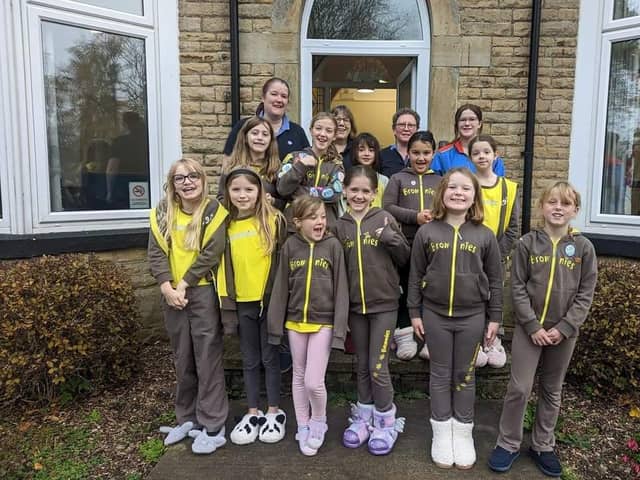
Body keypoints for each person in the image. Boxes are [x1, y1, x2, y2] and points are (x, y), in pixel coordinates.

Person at [488, 181, 597, 478]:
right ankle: (508, 443)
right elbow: (517, 287)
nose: (558, 208)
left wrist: (563, 327)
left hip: (564, 333)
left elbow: (586, 292)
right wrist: (532, 325)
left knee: (552, 389)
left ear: (575, 210)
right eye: (552, 202)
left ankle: (543, 445)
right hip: (529, 330)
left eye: (565, 203)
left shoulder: (584, 248)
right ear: (542, 206)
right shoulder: (527, 243)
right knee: (519, 388)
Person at [408, 167, 503, 470]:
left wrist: (494, 317)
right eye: (452, 187)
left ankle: (463, 433)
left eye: (466, 189)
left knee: (464, 374)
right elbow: (415, 275)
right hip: (434, 314)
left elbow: (496, 280)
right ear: (442, 192)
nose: (458, 193)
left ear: (474, 196)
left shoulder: (485, 236)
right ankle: (441, 432)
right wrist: (414, 311)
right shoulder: (427, 232)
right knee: (439, 374)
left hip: (472, 316)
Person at [148, 158, 229, 454]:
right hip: (172, 294)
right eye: (180, 178)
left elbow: (212, 251)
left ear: (202, 179)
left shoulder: (213, 211)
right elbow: (156, 253)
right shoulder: (161, 212)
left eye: (193, 175)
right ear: (172, 184)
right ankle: (187, 418)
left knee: (207, 356)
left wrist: (184, 283)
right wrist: (166, 286)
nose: (187, 182)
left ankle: (213, 423)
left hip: (202, 291)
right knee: (183, 357)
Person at [335, 166, 410, 455]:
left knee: (379, 366)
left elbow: (404, 258)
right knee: (363, 364)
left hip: (384, 304)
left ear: (374, 194)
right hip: (355, 306)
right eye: (354, 190)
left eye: (365, 191)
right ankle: (363, 417)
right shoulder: (339, 226)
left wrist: (390, 238)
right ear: (344, 191)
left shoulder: (385, 217)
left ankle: (386, 420)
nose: (359, 195)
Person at [267, 195, 349, 456]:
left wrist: (339, 330)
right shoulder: (290, 246)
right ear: (298, 221)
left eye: (323, 216)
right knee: (299, 377)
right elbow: (280, 287)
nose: (320, 222)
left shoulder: (333, 246)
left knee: (314, 381)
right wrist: (275, 326)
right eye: (313, 217)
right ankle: (302, 425)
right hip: (294, 322)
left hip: (323, 322)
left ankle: (319, 421)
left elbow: (342, 290)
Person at [216, 168, 288, 445]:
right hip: (242, 303)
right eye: (236, 189)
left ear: (260, 192)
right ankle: (252, 411)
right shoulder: (225, 225)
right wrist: (228, 305)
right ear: (227, 193)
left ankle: (273, 411)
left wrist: (278, 300)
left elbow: (282, 264)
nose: (243, 194)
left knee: (271, 358)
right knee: (249, 359)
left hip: (268, 303)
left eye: (249, 189)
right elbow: (224, 268)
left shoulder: (273, 220)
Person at [383, 131, 442, 361]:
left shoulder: (439, 181)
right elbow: (388, 206)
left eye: (426, 153)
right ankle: (404, 333)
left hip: (433, 246)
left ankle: (429, 338)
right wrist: (414, 216)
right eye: (416, 152)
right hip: (404, 246)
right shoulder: (398, 178)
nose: (421, 158)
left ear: (433, 154)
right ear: (407, 153)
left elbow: (446, 207)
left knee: (430, 290)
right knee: (406, 288)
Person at [468, 134, 519, 368]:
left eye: (486, 152)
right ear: (470, 157)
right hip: (468, 254)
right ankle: (474, 340)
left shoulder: (508, 188)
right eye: (476, 152)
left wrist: (496, 255)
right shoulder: (467, 185)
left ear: (495, 155)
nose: (482, 156)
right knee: (472, 296)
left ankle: (492, 339)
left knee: (493, 296)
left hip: (497, 255)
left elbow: (513, 227)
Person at [276, 112, 344, 232]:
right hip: (294, 228)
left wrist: (297, 191)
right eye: (318, 128)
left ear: (334, 136)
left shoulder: (337, 165)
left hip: (324, 230)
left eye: (328, 131)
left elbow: (334, 193)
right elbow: (282, 188)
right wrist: (301, 166)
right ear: (311, 130)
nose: (322, 134)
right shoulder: (293, 157)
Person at [223, 77, 309, 162]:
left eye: (284, 96)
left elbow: (308, 167)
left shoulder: (298, 132)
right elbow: (227, 164)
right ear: (263, 97)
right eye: (274, 94)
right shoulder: (243, 126)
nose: (279, 99)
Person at [218, 116, 284, 210]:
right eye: (255, 133)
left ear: (270, 140)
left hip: (267, 221)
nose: (260, 138)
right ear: (245, 137)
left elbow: (286, 202)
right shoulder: (232, 166)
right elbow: (221, 198)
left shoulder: (277, 168)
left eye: (265, 134)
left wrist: (272, 201)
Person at [430, 104, 505, 177]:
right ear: (457, 124)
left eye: (472, 119)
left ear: (479, 124)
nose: (467, 123)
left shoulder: (491, 155)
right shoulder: (443, 155)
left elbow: (499, 184)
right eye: (463, 120)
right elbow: (434, 184)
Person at [106, 111, 149, 209]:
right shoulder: (148, 141)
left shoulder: (120, 142)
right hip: (146, 184)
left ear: (125, 124)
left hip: (123, 187)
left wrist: (110, 192)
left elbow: (112, 169)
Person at [378, 108, 420, 178]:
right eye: (402, 125)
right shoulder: (382, 155)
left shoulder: (423, 156)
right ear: (394, 129)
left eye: (410, 125)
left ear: (417, 130)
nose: (406, 129)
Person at [351, 132, 388, 208]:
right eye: (361, 150)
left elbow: (387, 205)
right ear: (355, 152)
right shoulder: (348, 178)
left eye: (371, 150)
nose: (366, 154)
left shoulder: (384, 180)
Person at [332, 105, 357, 171]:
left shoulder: (358, 148)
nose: (342, 123)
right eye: (338, 119)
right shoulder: (323, 148)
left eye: (346, 120)